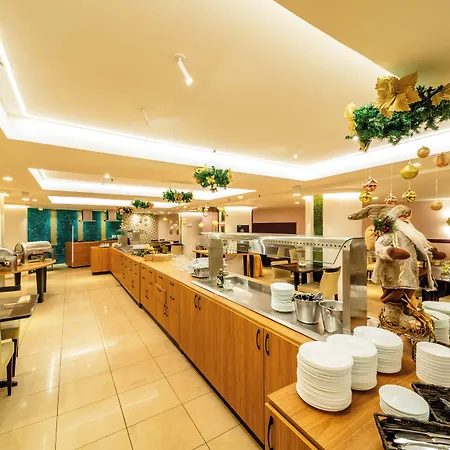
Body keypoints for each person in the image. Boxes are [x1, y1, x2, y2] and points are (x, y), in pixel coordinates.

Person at [348, 204, 446, 340]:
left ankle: (406, 310)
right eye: (402, 216)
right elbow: (379, 247)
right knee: (395, 293)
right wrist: (390, 251)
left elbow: (420, 247)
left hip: (410, 270)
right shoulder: (389, 235)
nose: (406, 219)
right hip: (393, 271)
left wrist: (431, 252)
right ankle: (393, 317)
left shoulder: (411, 235)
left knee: (408, 292)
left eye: (407, 216)